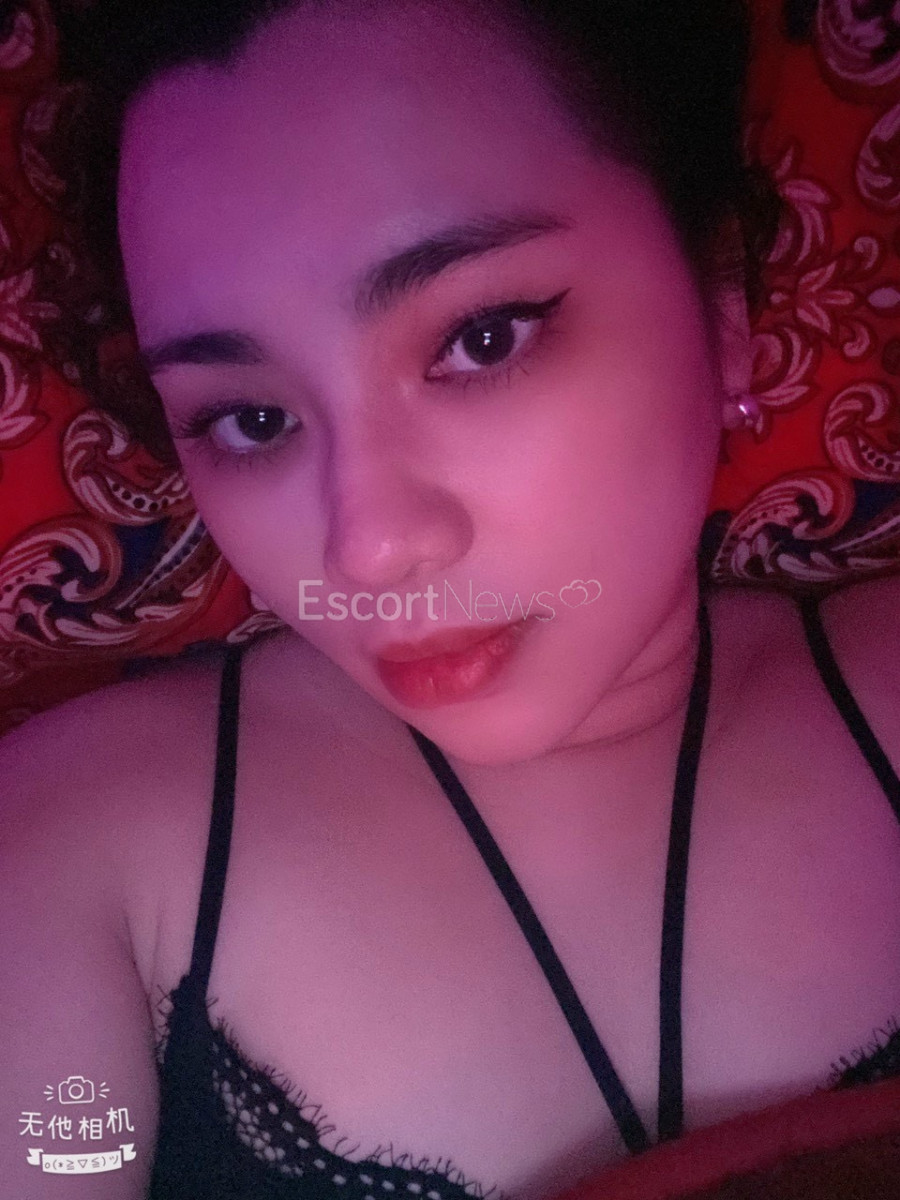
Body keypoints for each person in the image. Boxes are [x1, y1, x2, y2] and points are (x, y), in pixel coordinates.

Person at [2, 1, 899, 1197]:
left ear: (722, 305)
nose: (369, 547)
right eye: (252, 419)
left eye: (480, 339)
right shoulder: (68, 855)